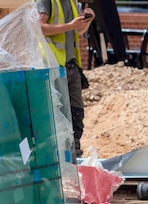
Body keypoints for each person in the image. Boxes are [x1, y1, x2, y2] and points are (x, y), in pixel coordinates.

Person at [37, 0, 95, 158]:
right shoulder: (47, 1)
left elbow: (77, 30)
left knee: (76, 113)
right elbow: (39, 27)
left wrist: (86, 22)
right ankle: (60, 158)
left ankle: (74, 155)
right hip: (54, 66)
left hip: (71, 66)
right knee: (59, 115)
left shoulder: (71, 2)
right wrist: (70, 25)